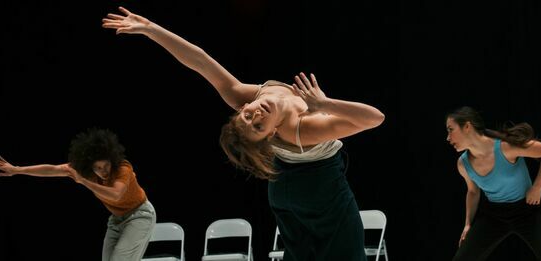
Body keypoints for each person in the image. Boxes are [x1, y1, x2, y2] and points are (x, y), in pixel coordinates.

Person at [102, 7, 384, 261]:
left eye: (248, 116)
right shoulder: (304, 127)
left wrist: (151, 28)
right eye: (258, 126)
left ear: (243, 107)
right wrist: (324, 104)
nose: (256, 115)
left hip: (284, 189)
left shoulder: (248, 95)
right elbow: (374, 118)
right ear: (272, 133)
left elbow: (199, 61)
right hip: (316, 188)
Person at [0, 128, 156, 261]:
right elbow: (53, 169)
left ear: (111, 159)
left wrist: (83, 181)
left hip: (139, 215)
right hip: (117, 219)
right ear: (89, 166)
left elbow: (116, 195)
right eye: (97, 168)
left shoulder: (122, 168)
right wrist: (17, 170)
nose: (103, 171)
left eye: (105, 165)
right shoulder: (84, 170)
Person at [445, 106, 541, 261]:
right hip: (495, 215)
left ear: (467, 126)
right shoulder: (463, 164)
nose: (448, 137)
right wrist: (467, 224)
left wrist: (537, 187)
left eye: (450, 129)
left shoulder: (506, 147)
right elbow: (473, 192)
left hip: (527, 211)